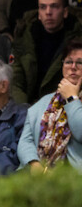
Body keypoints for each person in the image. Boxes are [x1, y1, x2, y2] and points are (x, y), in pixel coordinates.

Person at [17, 39, 82, 171]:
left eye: (80, 62)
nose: (73, 67)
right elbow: (25, 141)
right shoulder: (42, 103)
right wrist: (34, 165)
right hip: (41, 176)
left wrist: (72, 99)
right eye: (69, 62)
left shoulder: (72, 100)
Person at [10, 0, 82, 104]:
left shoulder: (77, 39)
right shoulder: (24, 37)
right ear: (39, 14)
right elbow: (16, 81)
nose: (48, 12)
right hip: (27, 106)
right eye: (43, 7)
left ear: (65, 12)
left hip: (62, 104)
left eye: (54, 6)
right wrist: (25, 110)